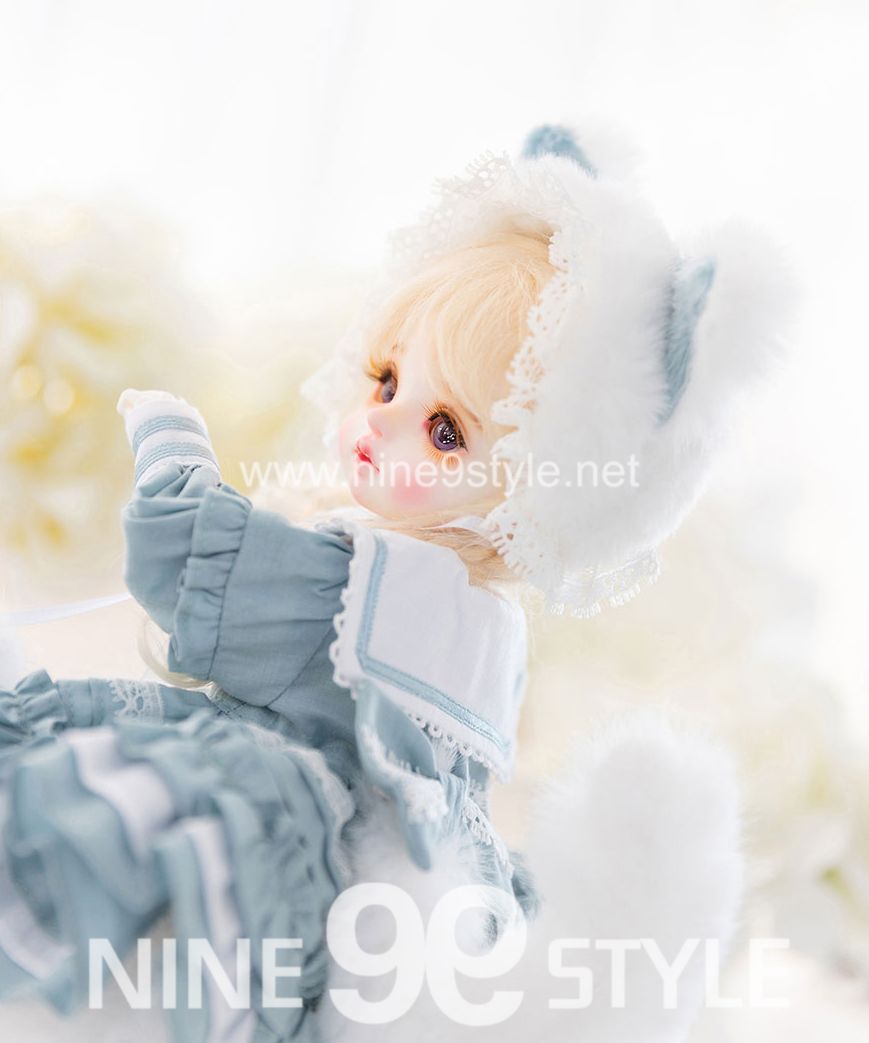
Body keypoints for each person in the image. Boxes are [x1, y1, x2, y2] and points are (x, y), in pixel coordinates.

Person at [0, 123, 795, 1042]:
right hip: (399, 853)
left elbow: (188, 568)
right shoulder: (484, 624)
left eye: (445, 431)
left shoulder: (364, 578)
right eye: (385, 380)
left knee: (134, 816)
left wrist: (170, 448)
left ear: (535, 490)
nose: (381, 422)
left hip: (294, 795)